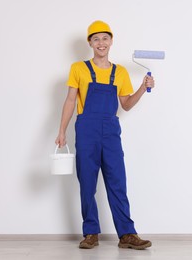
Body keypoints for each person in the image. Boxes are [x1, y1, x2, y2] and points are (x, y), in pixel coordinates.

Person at [55, 20, 153, 250]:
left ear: (111, 42)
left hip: (110, 131)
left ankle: (127, 233)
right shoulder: (78, 68)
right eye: (96, 38)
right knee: (87, 182)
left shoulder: (120, 72)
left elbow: (126, 105)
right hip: (86, 129)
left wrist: (142, 88)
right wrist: (61, 131)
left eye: (105, 38)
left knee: (117, 181)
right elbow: (71, 100)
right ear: (90, 42)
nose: (101, 43)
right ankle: (91, 233)